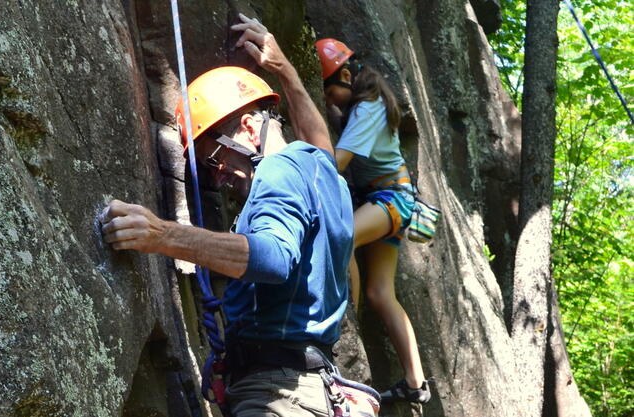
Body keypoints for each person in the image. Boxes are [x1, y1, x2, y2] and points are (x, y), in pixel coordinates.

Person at [101, 16, 354, 417]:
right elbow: (318, 138)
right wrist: (285, 70)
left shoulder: (276, 170)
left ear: (251, 128)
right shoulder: (323, 173)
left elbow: (273, 257)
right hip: (310, 388)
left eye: (215, 157)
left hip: (277, 395)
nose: (218, 176)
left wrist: (160, 234)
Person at [315, 38, 431, 404]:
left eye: (329, 89)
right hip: (390, 200)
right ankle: (416, 384)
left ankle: (343, 320)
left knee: (340, 235)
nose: (329, 98)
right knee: (382, 293)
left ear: (347, 76)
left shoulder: (368, 109)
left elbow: (338, 162)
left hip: (390, 199)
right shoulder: (361, 108)